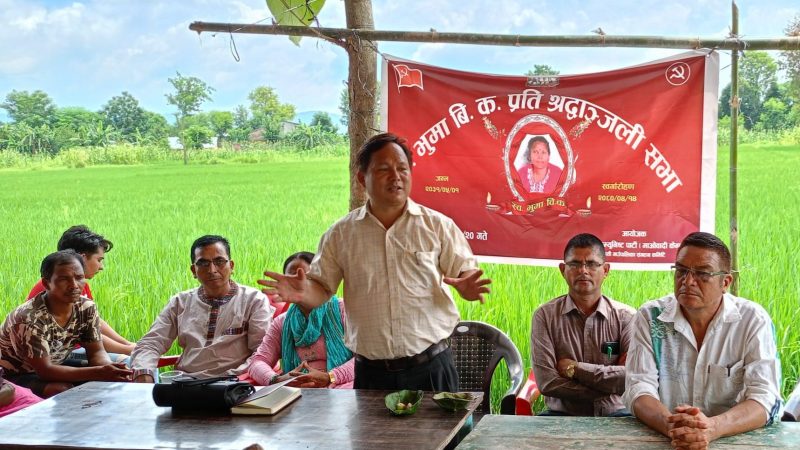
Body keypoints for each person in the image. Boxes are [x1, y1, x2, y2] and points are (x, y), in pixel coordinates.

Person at [260, 132, 491, 392]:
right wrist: (304, 292)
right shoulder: (341, 234)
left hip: (431, 367)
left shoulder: (437, 226)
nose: (396, 177)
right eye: (384, 169)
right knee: (372, 435)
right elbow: (322, 289)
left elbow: (465, 274)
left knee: (443, 434)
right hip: (372, 374)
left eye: (402, 168)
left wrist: (468, 287)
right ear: (362, 178)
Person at [624, 232, 782, 448]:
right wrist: (673, 427)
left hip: (733, 440)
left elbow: (765, 397)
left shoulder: (752, 320)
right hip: (667, 439)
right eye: (681, 271)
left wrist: (713, 428)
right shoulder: (651, 317)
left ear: (725, 282)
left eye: (702, 274)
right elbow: (639, 387)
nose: (688, 281)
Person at [129, 235, 273, 381]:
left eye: (219, 261)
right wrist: (144, 372)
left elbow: (263, 352)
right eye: (203, 263)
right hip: (185, 384)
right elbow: (151, 343)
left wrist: (234, 377)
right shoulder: (180, 302)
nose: (212, 270)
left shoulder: (253, 300)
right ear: (193, 270)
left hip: (233, 383)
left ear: (232, 266)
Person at [0, 250, 132, 397]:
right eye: (64, 279)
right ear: (46, 283)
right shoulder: (30, 318)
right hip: (17, 374)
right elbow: (45, 371)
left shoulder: (86, 307)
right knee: (61, 390)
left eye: (79, 277)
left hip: (59, 361)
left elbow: (96, 352)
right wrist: (98, 373)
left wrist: (109, 370)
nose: (74, 285)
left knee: (124, 371)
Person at [531, 233, 635, 416]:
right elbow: (547, 382)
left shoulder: (626, 317)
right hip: (561, 416)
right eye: (575, 264)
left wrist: (575, 369)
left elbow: (631, 376)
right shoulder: (545, 316)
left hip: (616, 414)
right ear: (563, 269)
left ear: (606, 270)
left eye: (592, 264)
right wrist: (607, 386)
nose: (583, 271)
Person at [249, 252, 354, 389]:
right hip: (297, 392)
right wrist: (278, 379)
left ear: (320, 280)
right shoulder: (282, 322)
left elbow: (364, 359)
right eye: (291, 278)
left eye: (305, 277)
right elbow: (258, 361)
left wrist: (330, 377)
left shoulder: (344, 311)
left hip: (342, 388)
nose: (297, 284)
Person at [27, 225, 135, 359]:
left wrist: (128, 344)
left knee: (137, 357)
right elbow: (86, 334)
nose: (101, 267)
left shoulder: (79, 286)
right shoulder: (55, 290)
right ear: (82, 258)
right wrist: (127, 349)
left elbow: (94, 323)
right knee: (131, 361)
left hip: (72, 349)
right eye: (99, 260)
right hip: (56, 354)